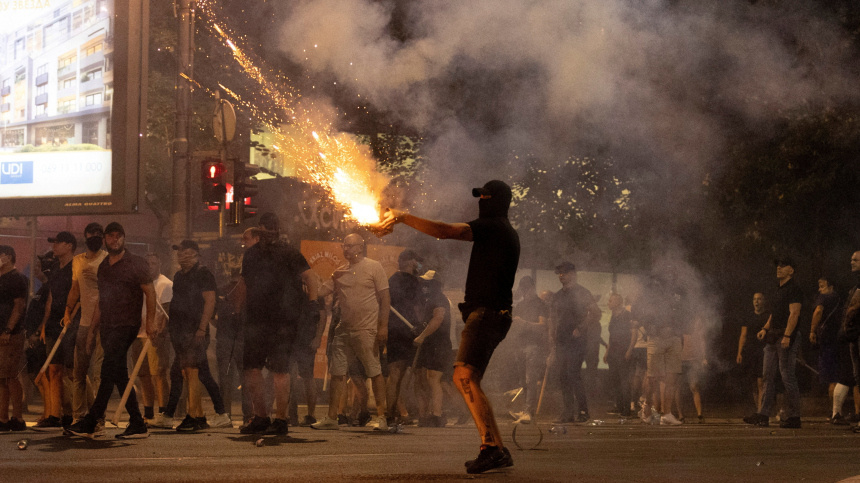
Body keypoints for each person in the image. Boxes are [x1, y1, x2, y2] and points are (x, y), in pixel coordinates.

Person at [379, 179, 520, 474]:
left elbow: (445, 231)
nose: (480, 201)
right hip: (490, 313)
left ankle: (492, 448)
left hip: (487, 313)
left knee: (464, 376)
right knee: (466, 377)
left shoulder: (495, 227)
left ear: (495, 201)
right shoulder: (499, 231)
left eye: (484, 196)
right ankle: (495, 447)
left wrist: (403, 216)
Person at [66, 222, 157, 439]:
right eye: (111, 236)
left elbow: (150, 294)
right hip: (107, 326)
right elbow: (100, 301)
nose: (114, 240)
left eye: (118, 236)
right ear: (106, 239)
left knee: (108, 370)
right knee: (118, 373)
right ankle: (137, 423)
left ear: (123, 238)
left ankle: (92, 419)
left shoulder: (136, 263)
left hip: (126, 325)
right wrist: (92, 331)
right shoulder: (104, 266)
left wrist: (150, 322)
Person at [240, 225, 321, 435]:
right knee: (256, 368)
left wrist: (313, 305)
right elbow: (245, 284)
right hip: (262, 320)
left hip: (281, 321)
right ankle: (263, 417)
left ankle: (279, 419)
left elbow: (311, 278)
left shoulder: (287, 252)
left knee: (279, 369)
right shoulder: (253, 254)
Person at [311, 233, 390, 432]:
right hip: (343, 330)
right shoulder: (339, 272)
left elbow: (385, 299)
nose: (345, 249)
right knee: (337, 372)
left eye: (349, 246)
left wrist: (383, 326)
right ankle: (331, 417)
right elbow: (321, 291)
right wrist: (307, 280)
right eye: (344, 246)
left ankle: (381, 416)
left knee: (374, 371)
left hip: (366, 329)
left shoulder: (374, 267)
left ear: (360, 247)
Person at [168, 240, 226, 432]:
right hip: (179, 331)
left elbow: (210, 301)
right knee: (188, 372)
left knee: (192, 372)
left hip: (194, 331)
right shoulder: (178, 276)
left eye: (185, 251)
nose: (181, 254)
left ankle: (193, 415)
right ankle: (199, 415)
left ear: (195, 253)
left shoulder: (203, 273)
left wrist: (202, 329)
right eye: (179, 251)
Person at [744, 257, 803, 429]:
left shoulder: (794, 289)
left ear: (791, 270)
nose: (779, 268)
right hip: (773, 337)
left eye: (783, 266)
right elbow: (774, 314)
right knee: (767, 376)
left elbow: (794, 314)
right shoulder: (778, 290)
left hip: (785, 337)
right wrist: (765, 328)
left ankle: (795, 416)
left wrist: (787, 336)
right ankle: (763, 414)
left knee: (787, 375)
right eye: (778, 265)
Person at [63, 223, 107, 427]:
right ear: (86, 236)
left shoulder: (107, 259)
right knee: (79, 372)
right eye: (92, 233)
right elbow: (74, 288)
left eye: (99, 233)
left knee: (98, 374)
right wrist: (67, 311)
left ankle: (98, 418)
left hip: (103, 323)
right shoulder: (78, 261)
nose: (95, 236)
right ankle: (78, 416)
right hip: (83, 322)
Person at [33, 231, 77, 431]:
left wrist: (70, 314)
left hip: (71, 323)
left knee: (72, 370)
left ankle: (75, 413)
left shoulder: (76, 266)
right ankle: (55, 414)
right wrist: (44, 324)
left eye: (58, 243)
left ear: (69, 245)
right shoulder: (55, 269)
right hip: (53, 324)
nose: (54, 246)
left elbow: (80, 294)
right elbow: (50, 298)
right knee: (53, 369)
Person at [549, 261, 601, 423]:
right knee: (563, 375)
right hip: (561, 341)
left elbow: (595, 312)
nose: (561, 276)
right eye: (559, 273)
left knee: (573, 373)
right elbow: (553, 316)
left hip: (576, 340)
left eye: (564, 273)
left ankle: (583, 411)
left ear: (572, 274)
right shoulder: (558, 295)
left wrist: (581, 327)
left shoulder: (582, 292)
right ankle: (568, 412)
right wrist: (552, 334)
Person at [128, 253, 173, 428]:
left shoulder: (165, 284)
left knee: (158, 374)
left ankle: (163, 412)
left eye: (153, 263)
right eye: (148, 263)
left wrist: (160, 331)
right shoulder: (139, 284)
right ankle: (148, 413)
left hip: (154, 335)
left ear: (159, 264)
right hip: (138, 334)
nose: (150, 266)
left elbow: (166, 311)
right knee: (143, 374)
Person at [634, 275, 685, 426]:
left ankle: (666, 414)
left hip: (674, 338)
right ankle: (646, 408)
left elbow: (685, 312)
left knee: (671, 378)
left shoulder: (678, 293)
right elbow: (638, 310)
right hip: (656, 339)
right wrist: (649, 326)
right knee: (653, 377)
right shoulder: (652, 292)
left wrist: (680, 329)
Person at [385, 249, 424, 424]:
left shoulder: (392, 280)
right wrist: (420, 326)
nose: (418, 265)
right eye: (417, 261)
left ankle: (392, 413)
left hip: (394, 330)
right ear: (409, 262)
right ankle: (393, 412)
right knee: (402, 374)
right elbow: (417, 307)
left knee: (397, 374)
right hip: (407, 331)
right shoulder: (413, 282)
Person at [414, 270, 453, 427]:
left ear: (434, 285)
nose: (424, 286)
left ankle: (437, 415)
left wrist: (422, 336)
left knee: (433, 379)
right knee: (423, 379)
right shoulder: (428, 300)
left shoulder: (439, 298)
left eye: (427, 283)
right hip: (429, 345)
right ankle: (424, 415)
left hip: (439, 345)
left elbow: (438, 318)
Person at [509, 276, 548, 423]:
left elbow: (543, 326)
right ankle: (526, 409)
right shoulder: (520, 305)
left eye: (527, 288)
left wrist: (524, 323)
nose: (525, 291)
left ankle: (529, 412)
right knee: (523, 380)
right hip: (520, 345)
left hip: (534, 345)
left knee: (530, 379)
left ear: (532, 287)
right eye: (523, 288)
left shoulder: (540, 304)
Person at [808, 276, 845, 422]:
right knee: (839, 376)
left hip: (828, 341)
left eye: (822, 286)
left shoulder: (824, 298)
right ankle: (838, 411)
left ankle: (835, 412)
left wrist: (812, 330)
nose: (819, 289)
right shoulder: (839, 299)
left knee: (831, 378)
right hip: (839, 340)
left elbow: (818, 312)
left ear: (830, 287)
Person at [0, 245, 27, 432]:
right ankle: (2, 418)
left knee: (10, 376)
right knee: (1, 377)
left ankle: (17, 418)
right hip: (2, 333)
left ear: (8, 257)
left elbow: (19, 305)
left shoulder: (16, 278)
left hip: (11, 334)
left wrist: (8, 329)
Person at [737, 293, 768, 412]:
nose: (756, 301)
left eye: (759, 299)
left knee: (761, 382)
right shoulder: (748, 316)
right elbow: (743, 335)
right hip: (750, 352)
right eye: (754, 299)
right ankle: (758, 409)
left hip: (763, 351)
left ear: (763, 301)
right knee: (753, 384)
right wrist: (739, 352)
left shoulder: (767, 316)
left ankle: (761, 412)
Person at [604, 293, 632, 417]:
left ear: (618, 302)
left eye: (611, 301)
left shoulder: (626, 315)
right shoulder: (613, 316)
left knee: (624, 380)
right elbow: (612, 336)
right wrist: (607, 351)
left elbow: (633, 333)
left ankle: (627, 408)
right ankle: (619, 406)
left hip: (623, 350)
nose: (608, 303)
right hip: (613, 352)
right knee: (615, 380)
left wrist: (629, 350)